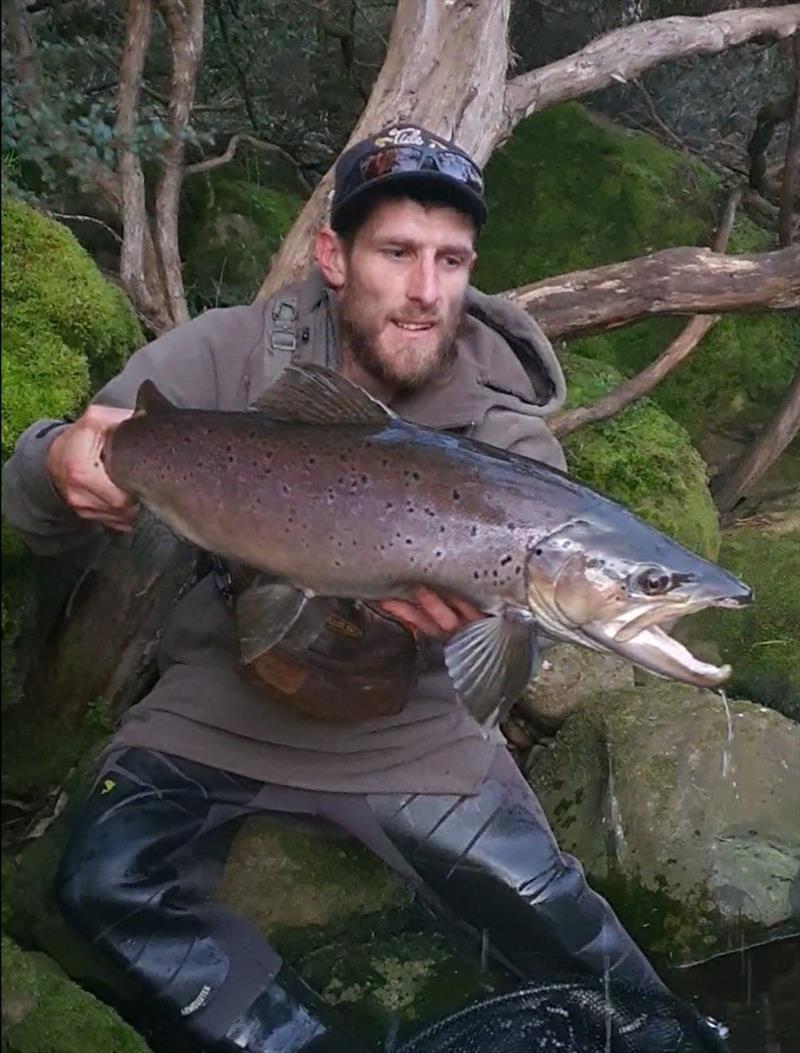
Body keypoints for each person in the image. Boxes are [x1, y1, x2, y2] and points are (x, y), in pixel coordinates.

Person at [3, 125, 694, 1053]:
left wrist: (470, 626)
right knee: (97, 883)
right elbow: (33, 507)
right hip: (216, 707)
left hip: (414, 737)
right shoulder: (227, 356)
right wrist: (59, 457)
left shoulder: (511, 441)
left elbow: (498, 677)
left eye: (451, 260)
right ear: (333, 255)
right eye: (398, 253)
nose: (426, 290)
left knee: (600, 968)